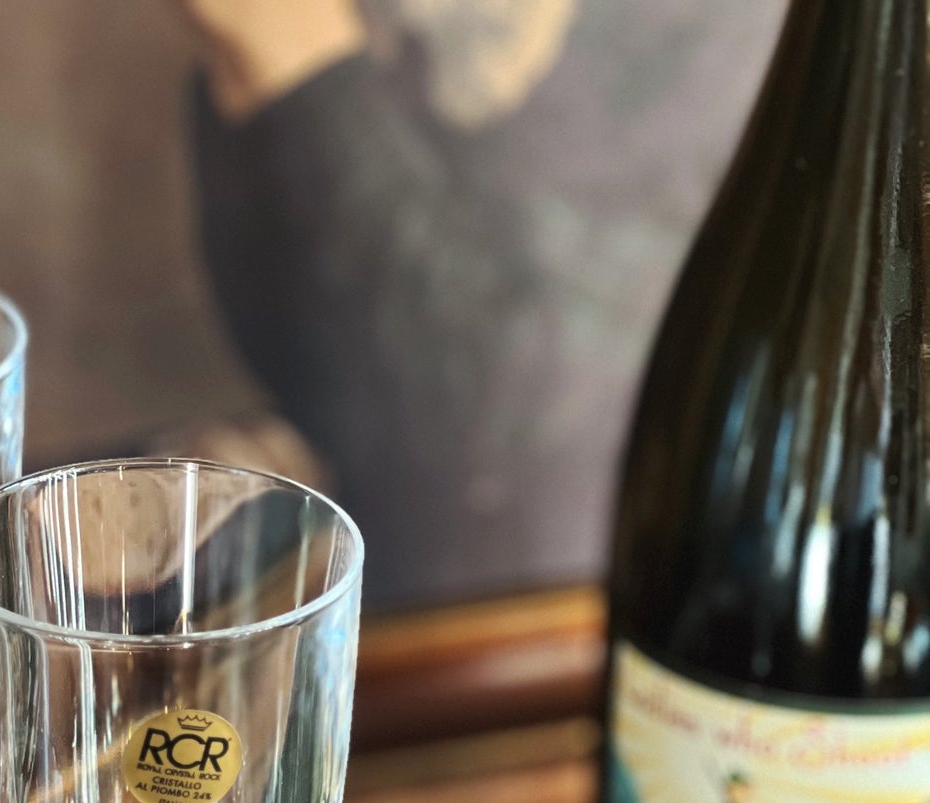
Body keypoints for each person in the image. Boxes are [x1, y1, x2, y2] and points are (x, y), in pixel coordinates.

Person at [174, 0, 783, 607]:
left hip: (555, 631)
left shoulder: (716, 36)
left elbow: (504, 405)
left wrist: (305, 76)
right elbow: (311, 374)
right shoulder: (403, 29)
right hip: (380, 602)